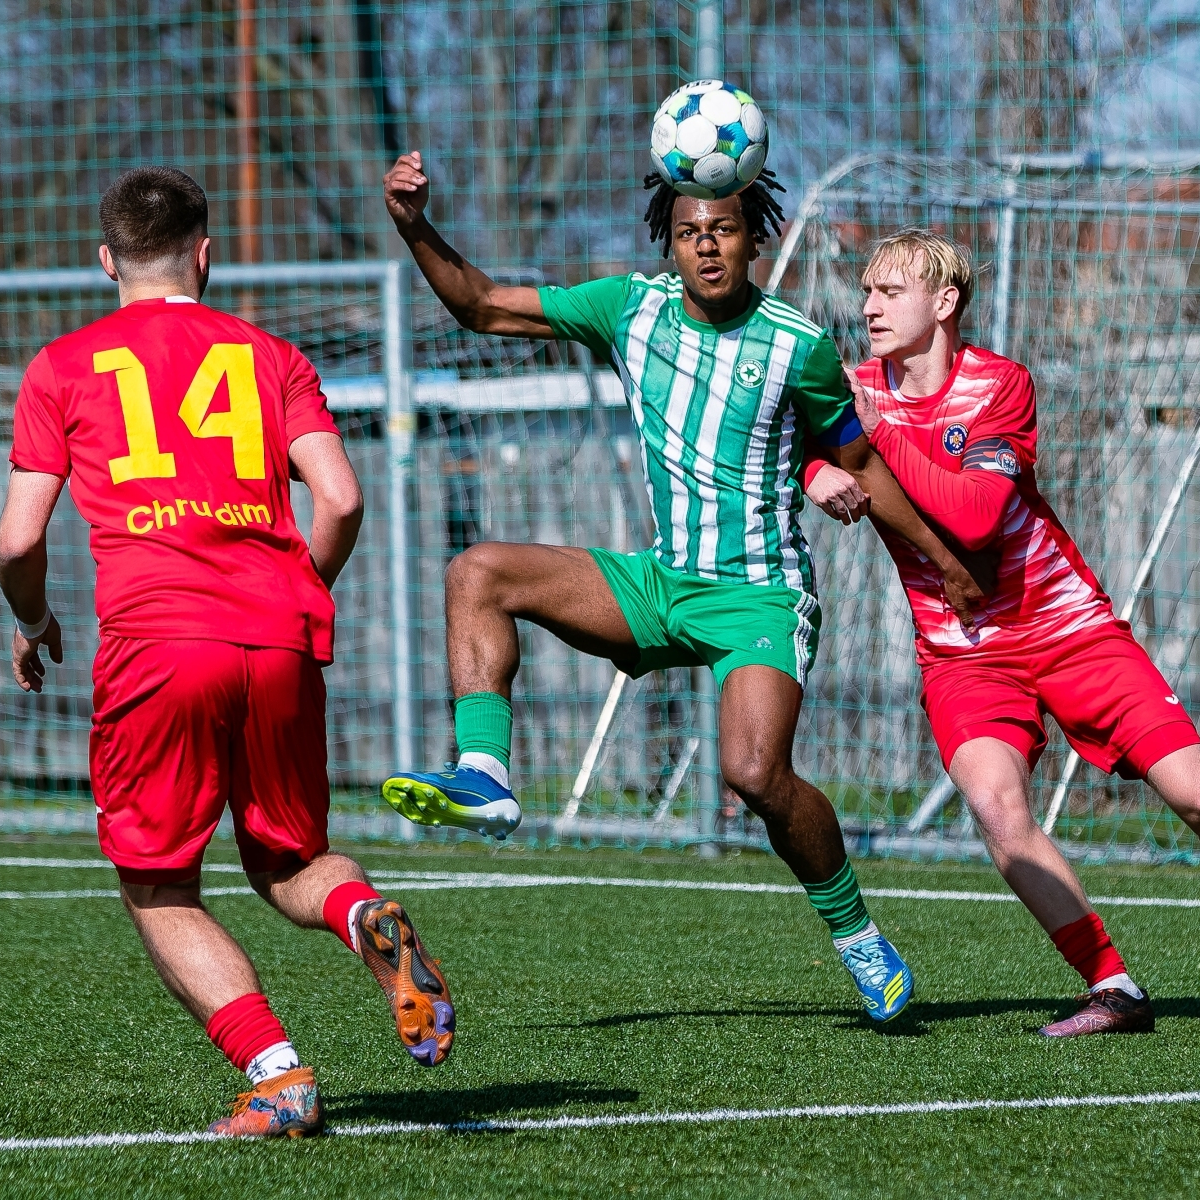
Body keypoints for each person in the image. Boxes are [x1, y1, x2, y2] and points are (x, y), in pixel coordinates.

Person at [377, 152, 993, 1023]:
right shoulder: (630, 307)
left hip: (759, 597)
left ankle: (857, 935)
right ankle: (485, 771)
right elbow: (481, 305)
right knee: (477, 573)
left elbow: (859, 462)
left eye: (724, 231)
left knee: (755, 773)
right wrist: (415, 226)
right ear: (669, 243)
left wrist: (945, 558)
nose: (706, 249)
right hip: (662, 582)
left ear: (754, 238)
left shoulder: (798, 344)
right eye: (689, 234)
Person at [804, 228, 1200, 1036]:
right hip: (964, 652)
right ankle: (1113, 987)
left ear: (944, 302)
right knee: (998, 811)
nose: (869, 307)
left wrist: (876, 438)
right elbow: (797, 448)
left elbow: (973, 515)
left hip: (1069, 628)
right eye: (867, 292)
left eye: (890, 291)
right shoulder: (852, 389)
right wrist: (819, 469)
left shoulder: (999, 384)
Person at [0, 166, 460, 1138]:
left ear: (105, 260)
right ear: (205, 254)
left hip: (158, 643)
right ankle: (365, 916)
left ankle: (279, 1076)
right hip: (277, 638)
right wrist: (298, 594)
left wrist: (36, 624)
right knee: (292, 857)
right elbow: (339, 498)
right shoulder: (271, 355)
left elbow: (18, 540)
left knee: (157, 883)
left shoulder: (64, 366)